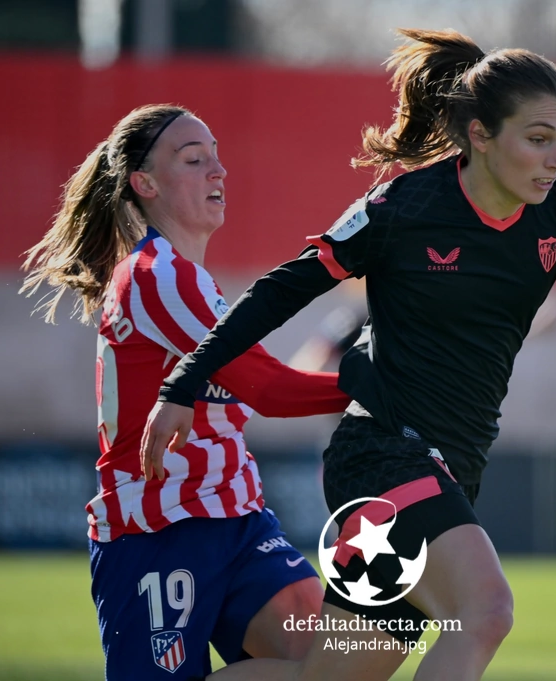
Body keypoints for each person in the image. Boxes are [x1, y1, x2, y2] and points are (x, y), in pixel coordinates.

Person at [140, 29, 556, 681]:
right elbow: (279, 291)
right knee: (486, 611)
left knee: (330, 677)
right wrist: (185, 384)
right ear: (480, 135)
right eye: (538, 138)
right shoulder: (403, 207)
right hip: (381, 453)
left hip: (452, 464)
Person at [21, 104, 353, 680]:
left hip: (236, 517)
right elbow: (271, 389)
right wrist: (397, 388)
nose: (218, 171)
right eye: (195, 159)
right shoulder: (156, 276)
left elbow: (252, 396)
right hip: (159, 532)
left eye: (218, 158)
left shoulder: (188, 279)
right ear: (144, 184)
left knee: (336, 662)